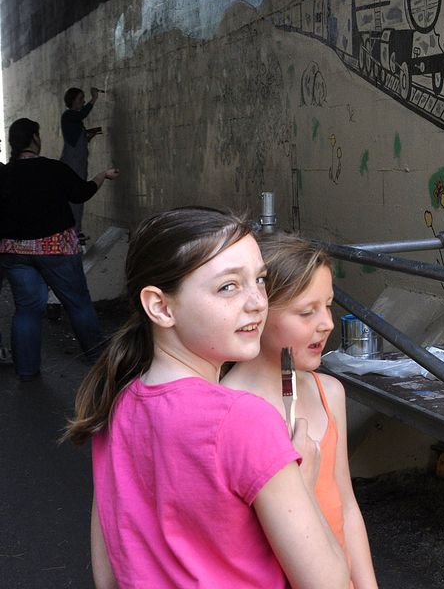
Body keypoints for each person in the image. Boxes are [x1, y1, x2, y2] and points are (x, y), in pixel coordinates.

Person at [63, 207, 350, 589]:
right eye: (228, 286)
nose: (257, 302)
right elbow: (327, 582)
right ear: (161, 307)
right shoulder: (243, 419)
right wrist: (307, 483)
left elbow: (109, 572)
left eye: (259, 280)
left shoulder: (120, 403)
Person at [224, 235, 379, 588]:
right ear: (258, 312)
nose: (326, 323)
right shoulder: (225, 408)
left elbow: (346, 504)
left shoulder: (330, 392)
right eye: (307, 312)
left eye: (328, 305)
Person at [0, 118, 118, 381]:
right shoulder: (53, 169)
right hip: (56, 250)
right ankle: (97, 358)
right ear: (34, 138)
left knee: (27, 310)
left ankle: (27, 369)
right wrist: (101, 176)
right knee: (77, 303)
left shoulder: (4, 174)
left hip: (15, 253)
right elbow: (81, 193)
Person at [60, 86, 104, 239]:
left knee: (78, 195)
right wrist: (94, 99)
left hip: (79, 162)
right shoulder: (68, 115)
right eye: (80, 99)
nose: (83, 101)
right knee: (77, 195)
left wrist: (88, 137)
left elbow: (79, 140)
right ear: (72, 101)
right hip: (74, 162)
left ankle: (75, 230)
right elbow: (82, 114)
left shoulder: (74, 121)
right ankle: (74, 231)